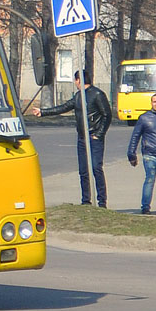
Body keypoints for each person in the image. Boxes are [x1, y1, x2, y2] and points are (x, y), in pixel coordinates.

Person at [31, 69, 112, 208]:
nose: (76, 83)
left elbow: (107, 115)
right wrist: (43, 112)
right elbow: (64, 107)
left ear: (78, 80)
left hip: (94, 138)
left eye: (76, 81)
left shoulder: (97, 94)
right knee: (83, 170)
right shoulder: (78, 96)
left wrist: (98, 134)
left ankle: (102, 201)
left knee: (96, 168)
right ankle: (86, 200)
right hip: (82, 138)